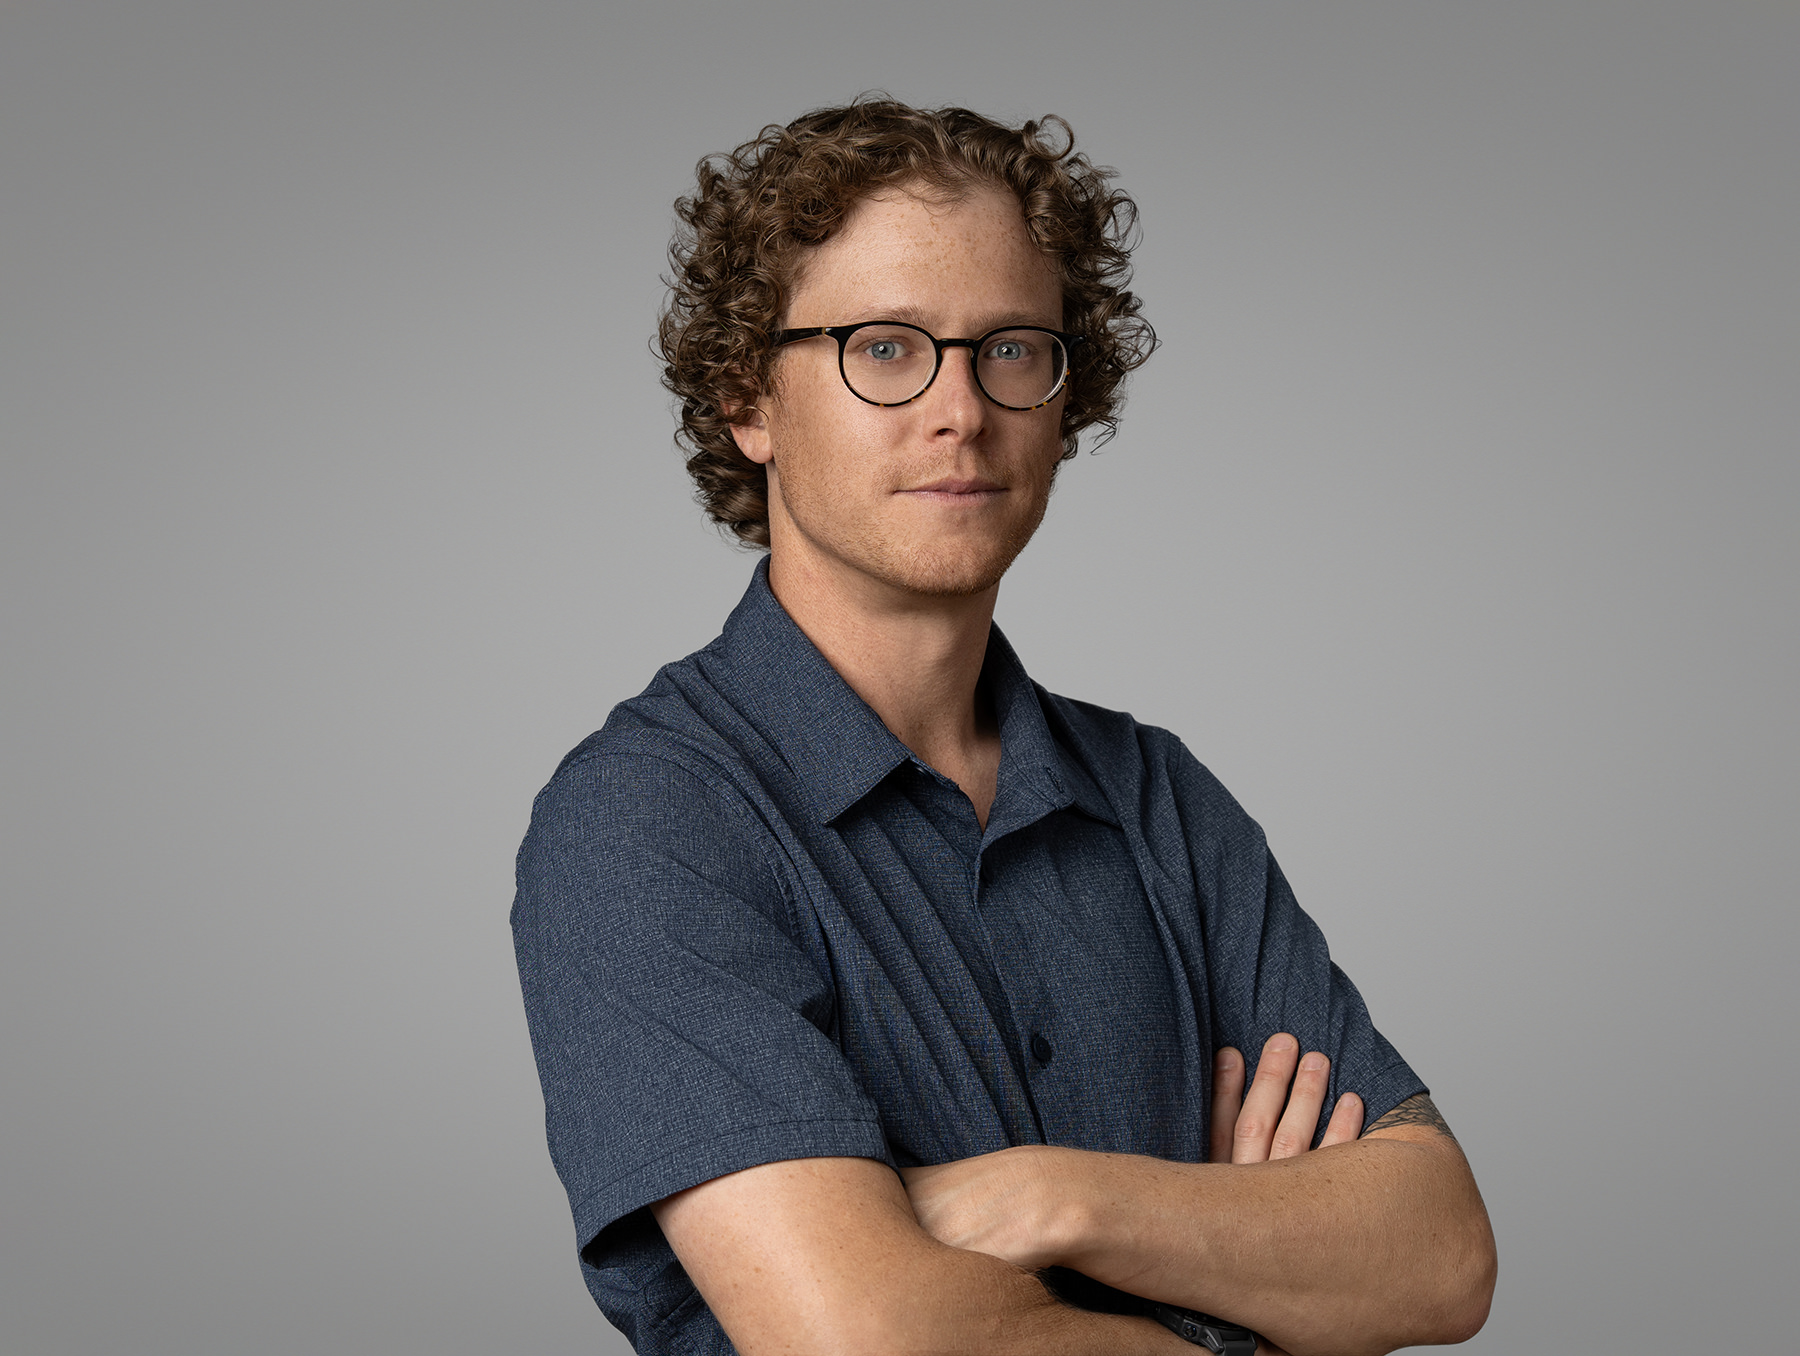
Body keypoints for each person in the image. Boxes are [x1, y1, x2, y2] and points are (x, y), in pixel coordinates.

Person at [512, 100, 1496, 1356]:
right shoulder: (647, 823)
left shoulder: (1157, 798)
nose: (961, 411)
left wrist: (1051, 1197)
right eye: (884, 348)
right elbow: (872, 1340)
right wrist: (1246, 1266)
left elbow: (1443, 1255)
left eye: (1012, 350)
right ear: (746, 400)